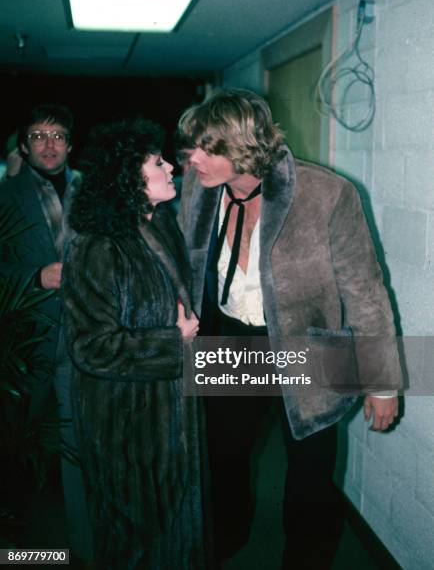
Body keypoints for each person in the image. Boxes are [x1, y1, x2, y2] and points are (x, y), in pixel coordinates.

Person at [177, 88, 402, 568]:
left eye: (205, 146)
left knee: (310, 476)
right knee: (223, 458)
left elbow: (366, 291)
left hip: (307, 349)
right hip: (230, 340)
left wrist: (382, 382)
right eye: (190, 146)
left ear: (242, 145)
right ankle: (226, 538)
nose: (191, 157)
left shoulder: (327, 194)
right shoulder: (197, 189)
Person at [62, 118, 210, 570]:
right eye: (158, 161)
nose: (170, 167)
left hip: (170, 416)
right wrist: (171, 341)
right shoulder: (97, 246)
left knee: (174, 532)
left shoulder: (158, 224)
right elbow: (90, 347)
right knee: (134, 540)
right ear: (128, 176)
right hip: (125, 425)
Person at [0, 103, 93, 565]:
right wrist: (35, 277)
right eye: (38, 135)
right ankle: (21, 545)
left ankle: (80, 544)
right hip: (27, 341)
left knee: (78, 439)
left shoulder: (92, 192)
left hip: (84, 336)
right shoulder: (4, 196)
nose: (49, 144)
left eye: (58, 135)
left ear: (71, 144)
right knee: (19, 443)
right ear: (24, 145)